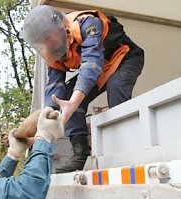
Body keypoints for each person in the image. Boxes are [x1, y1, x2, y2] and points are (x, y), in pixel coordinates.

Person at [21, 5, 144, 173]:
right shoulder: (51, 51)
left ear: (60, 25)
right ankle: (80, 155)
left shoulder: (86, 23)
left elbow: (91, 63)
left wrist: (73, 102)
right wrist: (44, 122)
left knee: (116, 87)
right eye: (43, 40)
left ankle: (129, 147)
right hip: (101, 69)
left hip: (125, 57)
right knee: (67, 98)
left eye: (49, 36)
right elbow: (54, 88)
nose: (48, 43)